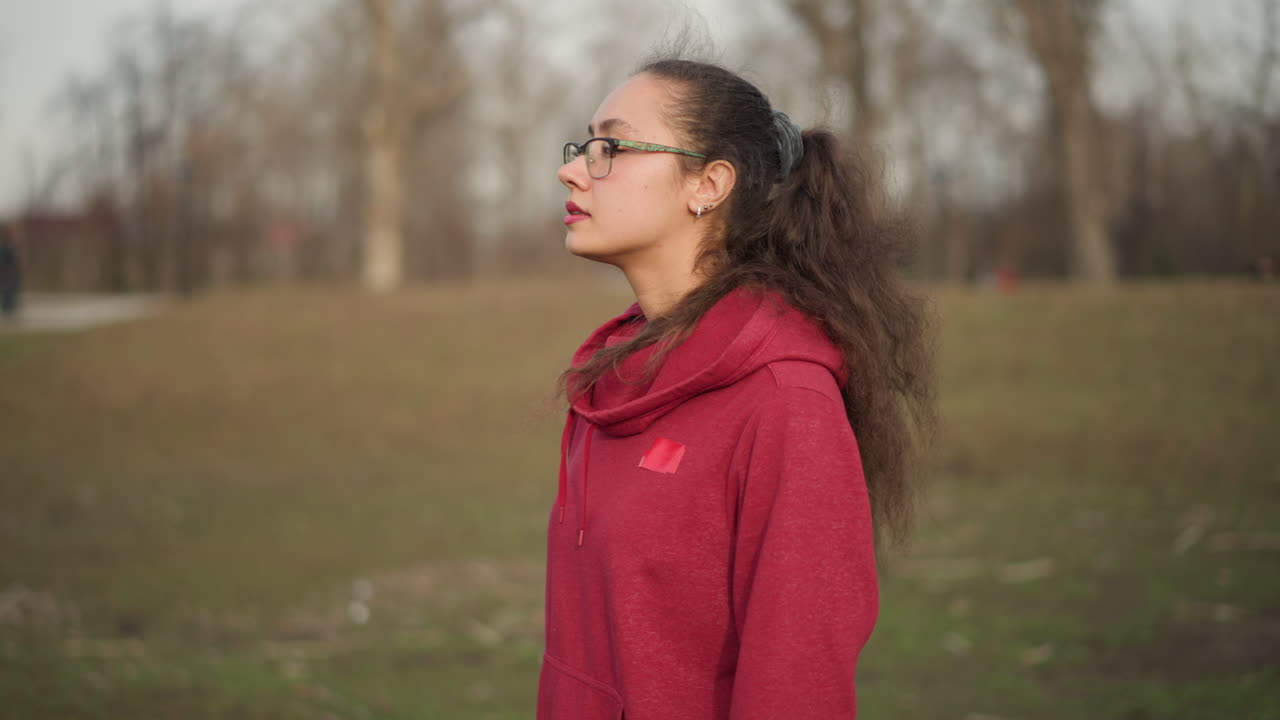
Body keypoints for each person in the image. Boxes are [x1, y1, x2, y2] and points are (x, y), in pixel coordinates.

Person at [542, 57, 935, 720]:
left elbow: (798, 685)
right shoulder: (608, 383)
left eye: (612, 146)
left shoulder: (786, 401)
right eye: (584, 145)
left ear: (710, 183)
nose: (573, 168)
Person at [0, 226, 21, 319]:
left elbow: (14, 262)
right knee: (7, 297)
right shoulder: (4, 248)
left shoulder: (11, 247)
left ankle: (10, 313)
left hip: (12, 277)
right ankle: (8, 313)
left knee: (11, 297)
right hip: (7, 276)